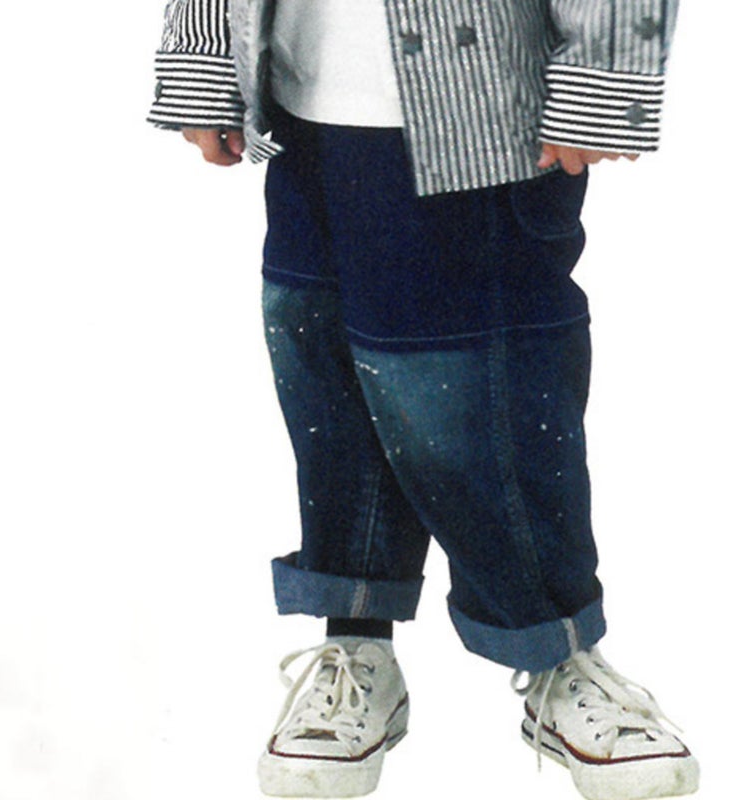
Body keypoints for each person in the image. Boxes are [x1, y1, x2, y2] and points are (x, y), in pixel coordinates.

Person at [147, 2, 699, 799]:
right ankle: (356, 637)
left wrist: (604, 75)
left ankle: (559, 653)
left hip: (477, 115)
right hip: (303, 109)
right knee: (329, 382)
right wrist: (202, 59)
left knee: (483, 395)